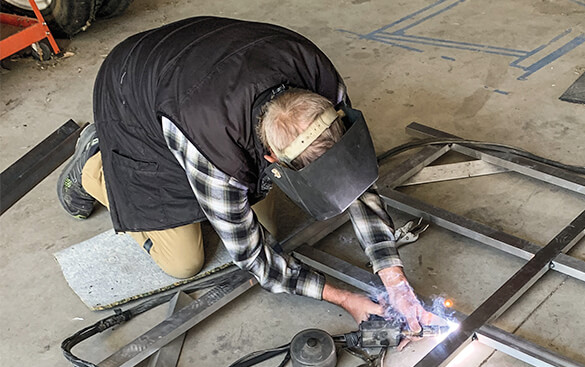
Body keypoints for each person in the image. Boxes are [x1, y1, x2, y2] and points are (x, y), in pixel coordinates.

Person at [56, 16, 437, 334]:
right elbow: (255, 260)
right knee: (184, 260)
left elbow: (356, 181)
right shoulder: (210, 149)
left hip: (199, 62)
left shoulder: (323, 85)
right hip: (131, 93)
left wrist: (393, 275)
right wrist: (343, 298)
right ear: (271, 156)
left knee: (271, 227)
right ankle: (95, 161)